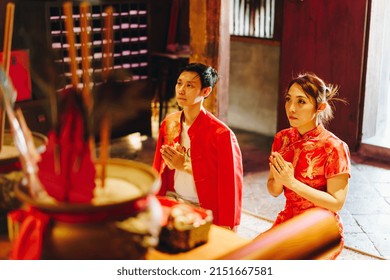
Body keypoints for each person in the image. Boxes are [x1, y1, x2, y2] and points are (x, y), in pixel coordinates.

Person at [266, 72, 351, 259]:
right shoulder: (282, 139)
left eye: (301, 102)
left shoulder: (334, 147)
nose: (291, 108)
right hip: (289, 220)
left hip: (321, 228)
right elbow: (273, 189)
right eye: (288, 100)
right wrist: (280, 180)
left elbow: (336, 203)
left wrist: (292, 182)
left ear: (319, 107)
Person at [152, 63, 243, 230]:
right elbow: (158, 167)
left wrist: (186, 165)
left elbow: (229, 183)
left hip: (204, 207)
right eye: (179, 83)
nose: (181, 90)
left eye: (190, 85)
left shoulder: (222, 134)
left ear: (205, 91)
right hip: (172, 199)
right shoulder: (169, 123)